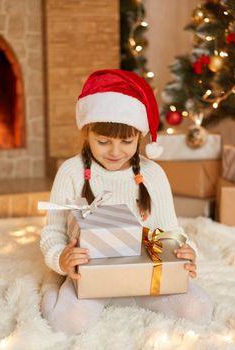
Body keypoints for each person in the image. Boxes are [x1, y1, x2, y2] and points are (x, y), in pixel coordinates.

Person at [40, 69, 213, 334]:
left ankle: (130, 295)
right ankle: (54, 287)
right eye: (103, 141)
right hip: (91, 278)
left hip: (145, 275)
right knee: (66, 323)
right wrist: (60, 260)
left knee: (199, 310)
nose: (115, 151)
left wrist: (186, 250)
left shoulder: (152, 175)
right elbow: (53, 231)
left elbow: (171, 231)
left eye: (126, 141)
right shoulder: (71, 172)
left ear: (139, 137)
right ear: (86, 133)